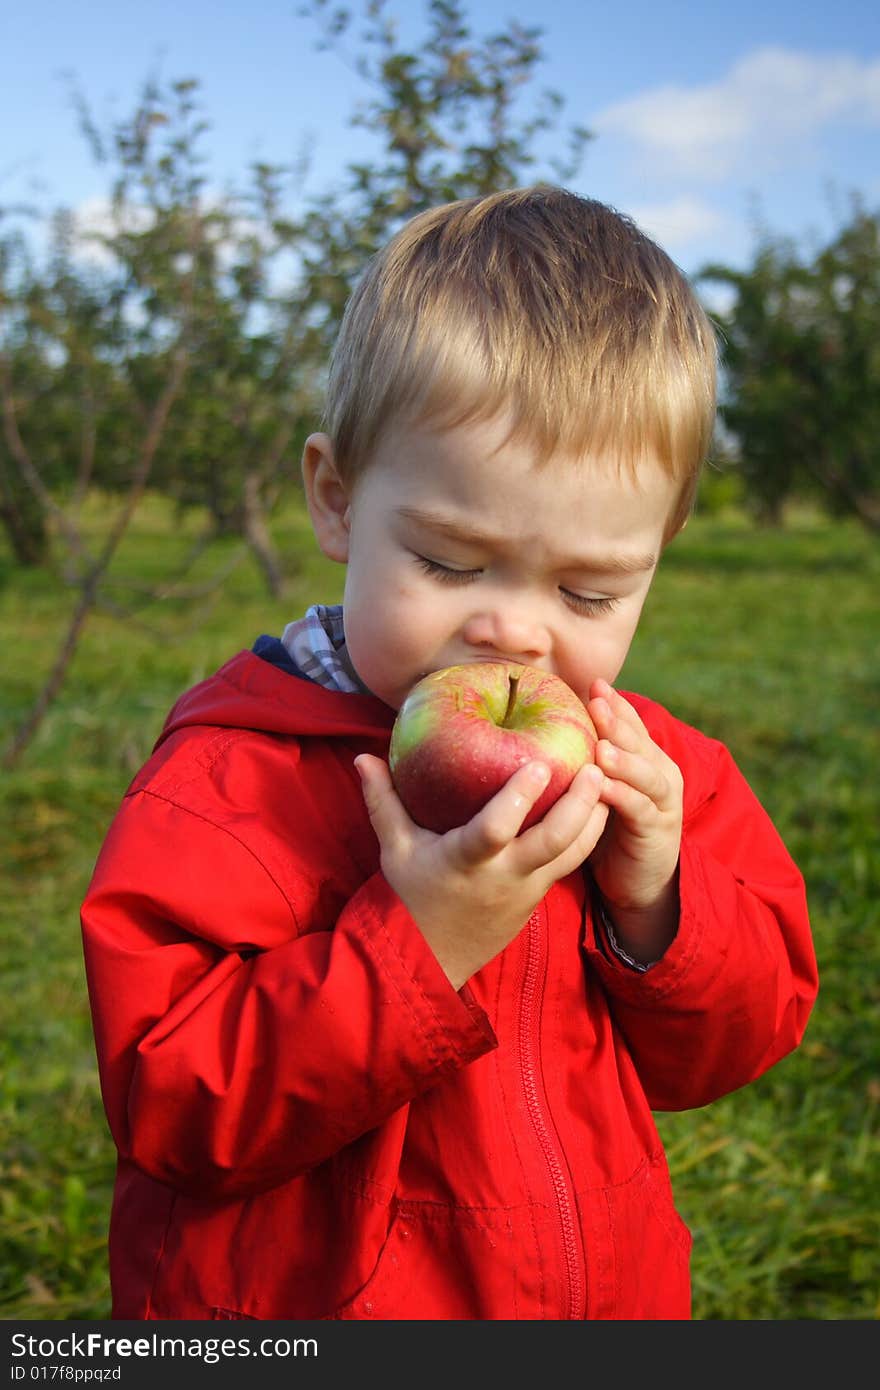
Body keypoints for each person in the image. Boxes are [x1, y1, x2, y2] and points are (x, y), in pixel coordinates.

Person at [80, 185, 818, 1321]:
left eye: (587, 588)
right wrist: (413, 950)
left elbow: (734, 1045)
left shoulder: (647, 777)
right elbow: (172, 1105)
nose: (516, 631)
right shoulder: (228, 787)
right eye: (450, 562)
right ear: (335, 501)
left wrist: (658, 904)